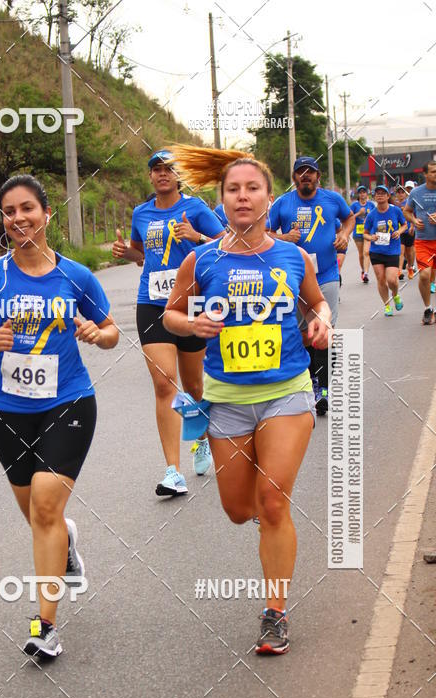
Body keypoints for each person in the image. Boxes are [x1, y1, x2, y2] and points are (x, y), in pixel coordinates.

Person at [164, 146, 331, 654]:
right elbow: (170, 316)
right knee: (239, 510)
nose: (243, 197)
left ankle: (275, 611)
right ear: (221, 199)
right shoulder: (203, 257)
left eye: (252, 188)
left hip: (287, 393)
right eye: (233, 189)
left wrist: (323, 319)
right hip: (227, 402)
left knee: (274, 502)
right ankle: (263, 514)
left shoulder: (292, 255)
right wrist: (191, 324)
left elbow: (316, 300)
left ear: (267, 197)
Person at [0, 174, 119, 658]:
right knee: (38, 516)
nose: (19, 217)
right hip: (5, 411)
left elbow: (111, 334)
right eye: (9, 211)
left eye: (28, 208)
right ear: (4, 221)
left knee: (45, 506)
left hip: (68, 403)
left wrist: (94, 333)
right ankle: (65, 545)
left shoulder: (77, 278)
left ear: (47, 215)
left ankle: (44, 626)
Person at [112, 149, 224, 496]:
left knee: (195, 388)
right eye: (156, 170)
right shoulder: (141, 213)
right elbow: (141, 255)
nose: (162, 175)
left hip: (189, 304)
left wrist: (197, 237)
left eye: (168, 170)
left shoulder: (195, 209)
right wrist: (126, 253)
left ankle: (202, 440)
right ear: (150, 177)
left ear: (178, 177)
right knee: (164, 384)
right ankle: (172, 471)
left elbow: (226, 244)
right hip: (152, 304)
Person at [267, 156, 355, 416]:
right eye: (300, 172)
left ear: (318, 176)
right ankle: (313, 381)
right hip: (293, 279)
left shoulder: (332, 200)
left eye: (310, 172)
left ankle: (324, 391)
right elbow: (263, 232)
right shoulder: (283, 204)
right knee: (304, 335)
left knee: (324, 331)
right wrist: (283, 237)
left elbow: (349, 218)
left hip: (326, 275)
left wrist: (344, 234)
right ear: (294, 177)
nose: (306, 175)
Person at [363, 184, 407, 316]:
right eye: (377, 193)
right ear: (374, 197)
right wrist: (371, 237)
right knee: (381, 280)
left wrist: (399, 231)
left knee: (392, 280)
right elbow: (364, 233)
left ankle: (396, 295)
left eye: (383, 193)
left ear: (388, 196)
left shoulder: (395, 210)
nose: (380, 195)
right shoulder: (371, 215)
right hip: (376, 251)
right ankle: (387, 305)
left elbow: (404, 224)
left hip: (392, 250)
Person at [404, 161, 436, 324]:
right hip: (423, 241)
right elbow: (407, 211)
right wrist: (414, 220)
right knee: (424, 275)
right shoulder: (416, 193)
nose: (435, 174)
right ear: (425, 174)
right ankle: (428, 308)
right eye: (432, 172)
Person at [350, 186, 376, 283]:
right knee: (361, 254)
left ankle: (366, 273)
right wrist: (358, 213)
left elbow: (375, 216)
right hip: (358, 232)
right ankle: (363, 270)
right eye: (360, 192)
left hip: (368, 232)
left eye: (364, 192)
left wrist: (368, 219)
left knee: (366, 252)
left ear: (367, 193)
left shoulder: (371, 205)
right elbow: (349, 217)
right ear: (358, 194)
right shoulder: (354, 205)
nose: (362, 194)